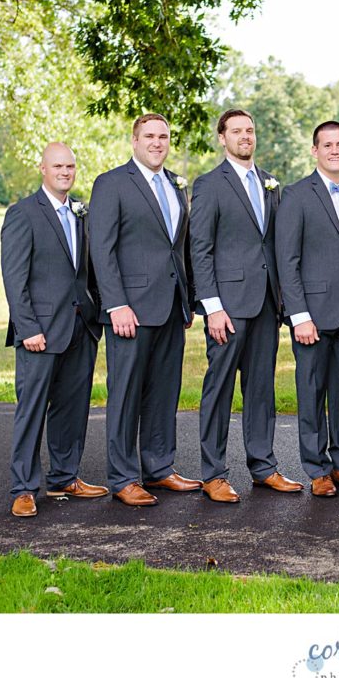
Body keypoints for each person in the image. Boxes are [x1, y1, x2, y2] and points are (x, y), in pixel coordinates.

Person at [88, 114, 202, 507]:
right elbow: (101, 249)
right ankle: (123, 477)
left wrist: (187, 298)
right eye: (150, 136)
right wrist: (116, 303)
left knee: (163, 392)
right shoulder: (111, 183)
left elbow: (180, 248)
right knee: (126, 393)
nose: (157, 142)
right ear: (134, 140)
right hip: (130, 310)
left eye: (164, 136)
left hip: (171, 307)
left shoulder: (175, 185)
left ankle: (159, 468)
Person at [190, 109, 302, 503]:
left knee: (261, 390)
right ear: (222, 138)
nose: (245, 137)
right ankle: (214, 473)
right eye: (236, 131)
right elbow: (199, 249)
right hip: (228, 307)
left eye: (250, 130)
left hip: (266, 304)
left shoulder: (271, 183)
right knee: (219, 390)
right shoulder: (208, 185)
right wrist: (213, 306)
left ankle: (263, 466)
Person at [0, 142, 107, 517]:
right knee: (32, 409)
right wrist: (27, 327)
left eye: (71, 166)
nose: (65, 172)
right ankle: (24, 487)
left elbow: (91, 269)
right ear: (43, 169)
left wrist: (95, 315)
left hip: (81, 327)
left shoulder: (83, 213)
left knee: (72, 408)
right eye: (58, 166)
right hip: (40, 332)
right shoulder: (23, 214)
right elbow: (15, 278)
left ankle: (65, 476)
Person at [275, 121, 339, 498]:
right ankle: (316, 468)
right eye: (327, 145)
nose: (335, 150)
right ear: (315, 151)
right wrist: (299, 314)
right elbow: (288, 259)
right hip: (312, 317)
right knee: (311, 391)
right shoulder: (298, 195)